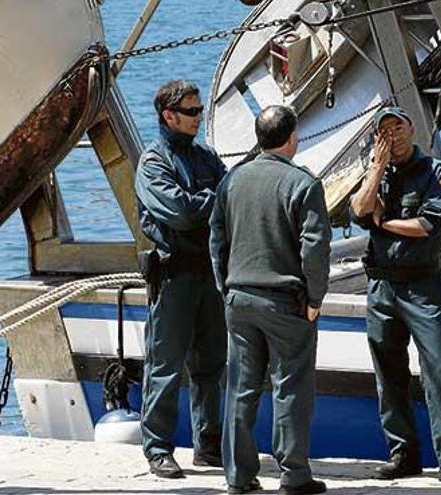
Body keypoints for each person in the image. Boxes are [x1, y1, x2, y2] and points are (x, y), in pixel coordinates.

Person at [210, 105, 331, 495]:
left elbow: (216, 241)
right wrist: (315, 297)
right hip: (285, 301)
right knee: (291, 385)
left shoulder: (232, 180)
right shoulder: (303, 184)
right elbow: (315, 248)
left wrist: (225, 287)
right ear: (293, 137)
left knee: (241, 388)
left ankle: (238, 476)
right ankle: (294, 474)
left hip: (239, 297)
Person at [349, 106, 441, 487]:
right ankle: (403, 454)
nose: (393, 138)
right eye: (384, 132)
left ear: (412, 130)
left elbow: (427, 225)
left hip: (422, 287)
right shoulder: (376, 172)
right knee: (388, 373)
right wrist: (375, 170)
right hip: (382, 286)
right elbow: (358, 209)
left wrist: (384, 223)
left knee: (438, 370)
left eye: (398, 129)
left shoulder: (435, 173)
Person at [134, 79, 227, 478]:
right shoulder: (153, 163)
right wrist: (213, 203)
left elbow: (230, 200)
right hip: (173, 276)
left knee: (211, 364)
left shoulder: (206, 159)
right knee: (166, 364)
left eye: (199, 110)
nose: (198, 118)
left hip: (209, 273)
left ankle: (208, 446)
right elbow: (182, 213)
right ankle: (157, 448)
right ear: (168, 115)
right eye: (191, 112)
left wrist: (208, 205)